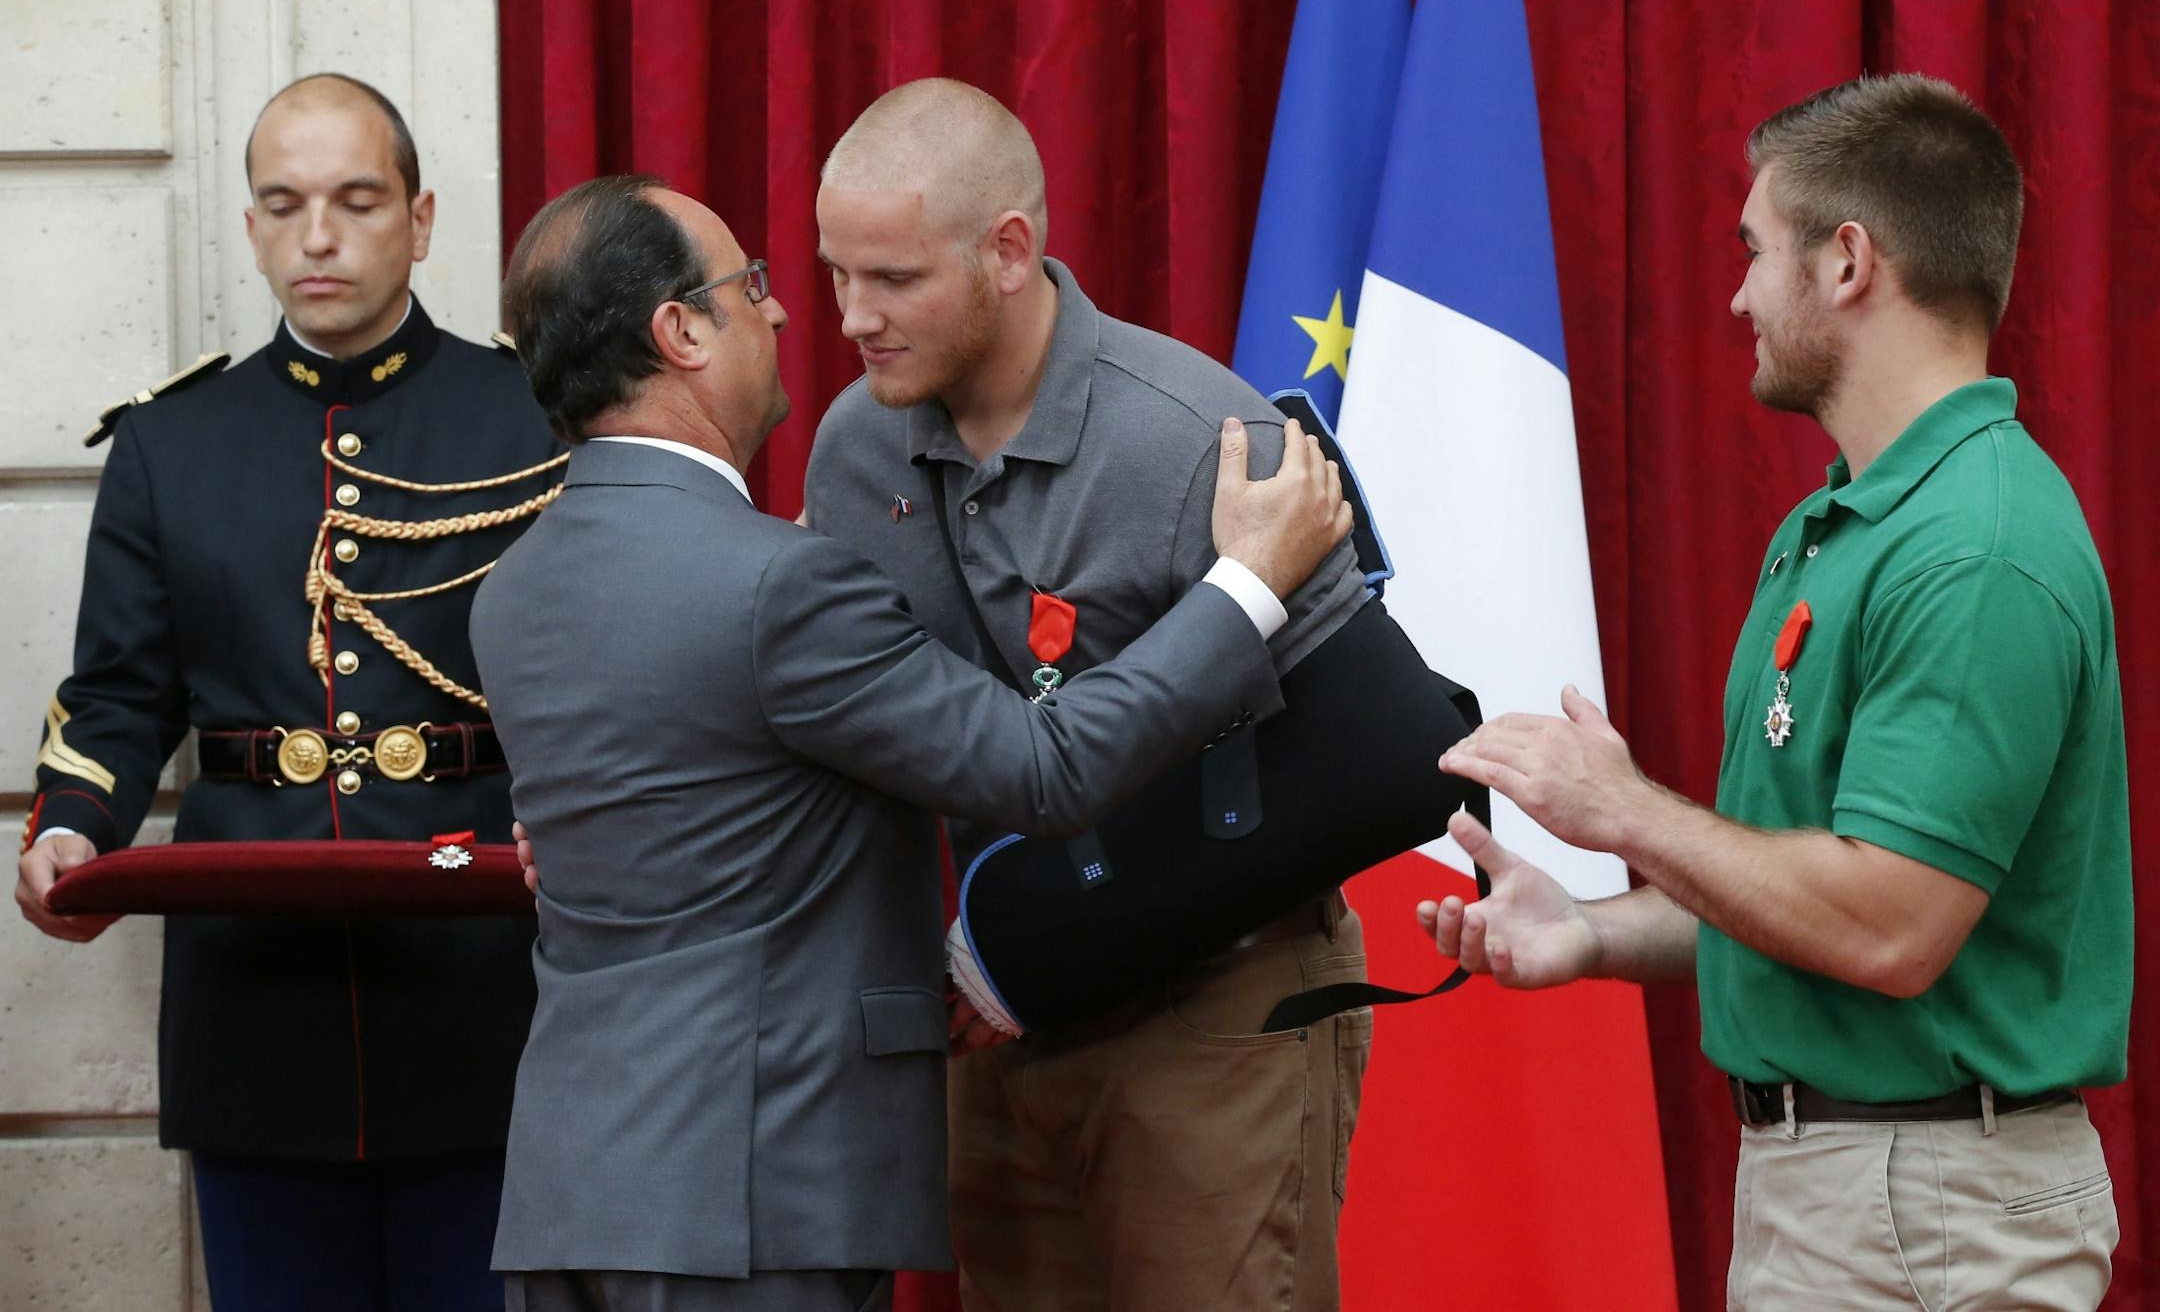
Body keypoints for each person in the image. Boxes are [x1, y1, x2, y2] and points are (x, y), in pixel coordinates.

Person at [473, 172, 1352, 1312]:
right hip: (751, 1196)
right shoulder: (776, 588)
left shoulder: (512, 587)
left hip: (574, 1191)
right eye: (751, 286)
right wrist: (1246, 588)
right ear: (680, 332)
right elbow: (1048, 768)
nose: (789, 312)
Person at [1428, 73, 2128, 1311]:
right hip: (1857, 1199)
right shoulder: (1840, 526)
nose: (1739, 291)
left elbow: (1888, 927)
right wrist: (1592, 930)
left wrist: (1628, 809)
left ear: (1848, 261)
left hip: (1930, 1213)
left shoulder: (1976, 548)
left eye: (1755, 251)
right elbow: (1805, 896)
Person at [804, 78, 1376, 1311]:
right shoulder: (854, 448)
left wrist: (1068, 938)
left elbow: (1365, 756)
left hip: (1213, 1006)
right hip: (988, 1014)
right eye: (836, 275)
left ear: (1011, 250)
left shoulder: (1201, 438)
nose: (852, 316)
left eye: (892, 279)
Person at [13, 73, 563, 1312]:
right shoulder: (172, 443)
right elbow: (116, 697)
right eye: (286, 204)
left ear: (421, 220)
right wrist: (69, 826)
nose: (320, 235)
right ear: (254, 227)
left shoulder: (531, 416)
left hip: (486, 999)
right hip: (258, 1012)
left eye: (357, 201)